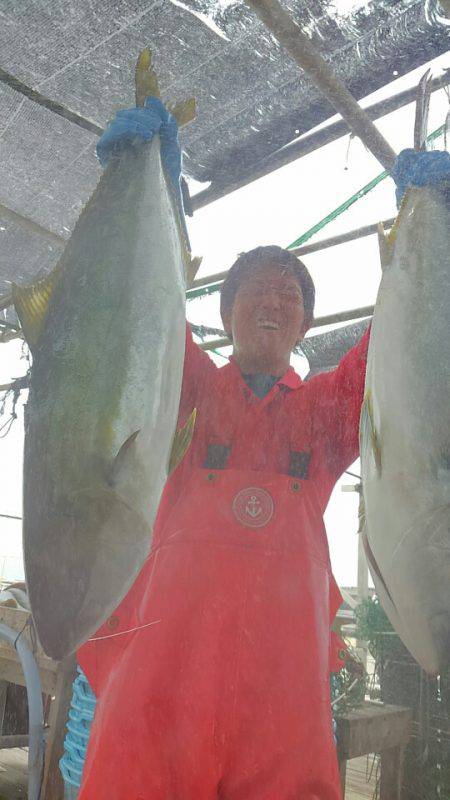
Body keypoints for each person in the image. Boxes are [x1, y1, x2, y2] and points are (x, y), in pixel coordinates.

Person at [76, 99, 450, 800]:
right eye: (256, 292)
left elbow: (405, 358)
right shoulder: (181, 384)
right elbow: (140, 306)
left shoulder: (327, 413)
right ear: (227, 314)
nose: (273, 303)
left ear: (305, 324)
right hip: (160, 694)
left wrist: (430, 237)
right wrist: (154, 189)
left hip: (282, 704)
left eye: (290, 296)